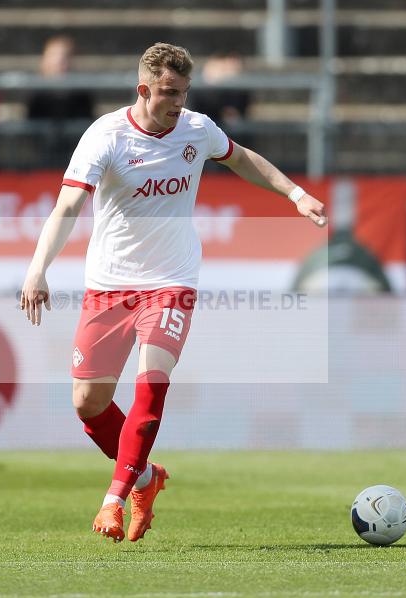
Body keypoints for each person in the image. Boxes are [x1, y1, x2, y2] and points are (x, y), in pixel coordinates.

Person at [19, 43, 327, 543]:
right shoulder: (106, 136)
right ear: (143, 89)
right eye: (166, 94)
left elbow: (242, 158)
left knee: (150, 384)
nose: (176, 104)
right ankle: (146, 477)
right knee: (87, 402)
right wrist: (38, 269)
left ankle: (114, 499)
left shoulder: (197, 129)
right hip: (110, 282)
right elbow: (69, 206)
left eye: (182, 93)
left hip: (172, 281)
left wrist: (295, 194)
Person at [26, 35, 95, 166]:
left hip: (74, 159)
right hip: (43, 159)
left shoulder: (81, 94)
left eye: (64, 57)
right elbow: (31, 127)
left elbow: (87, 124)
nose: (59, 62)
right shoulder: (36, 94)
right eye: (54, 56)